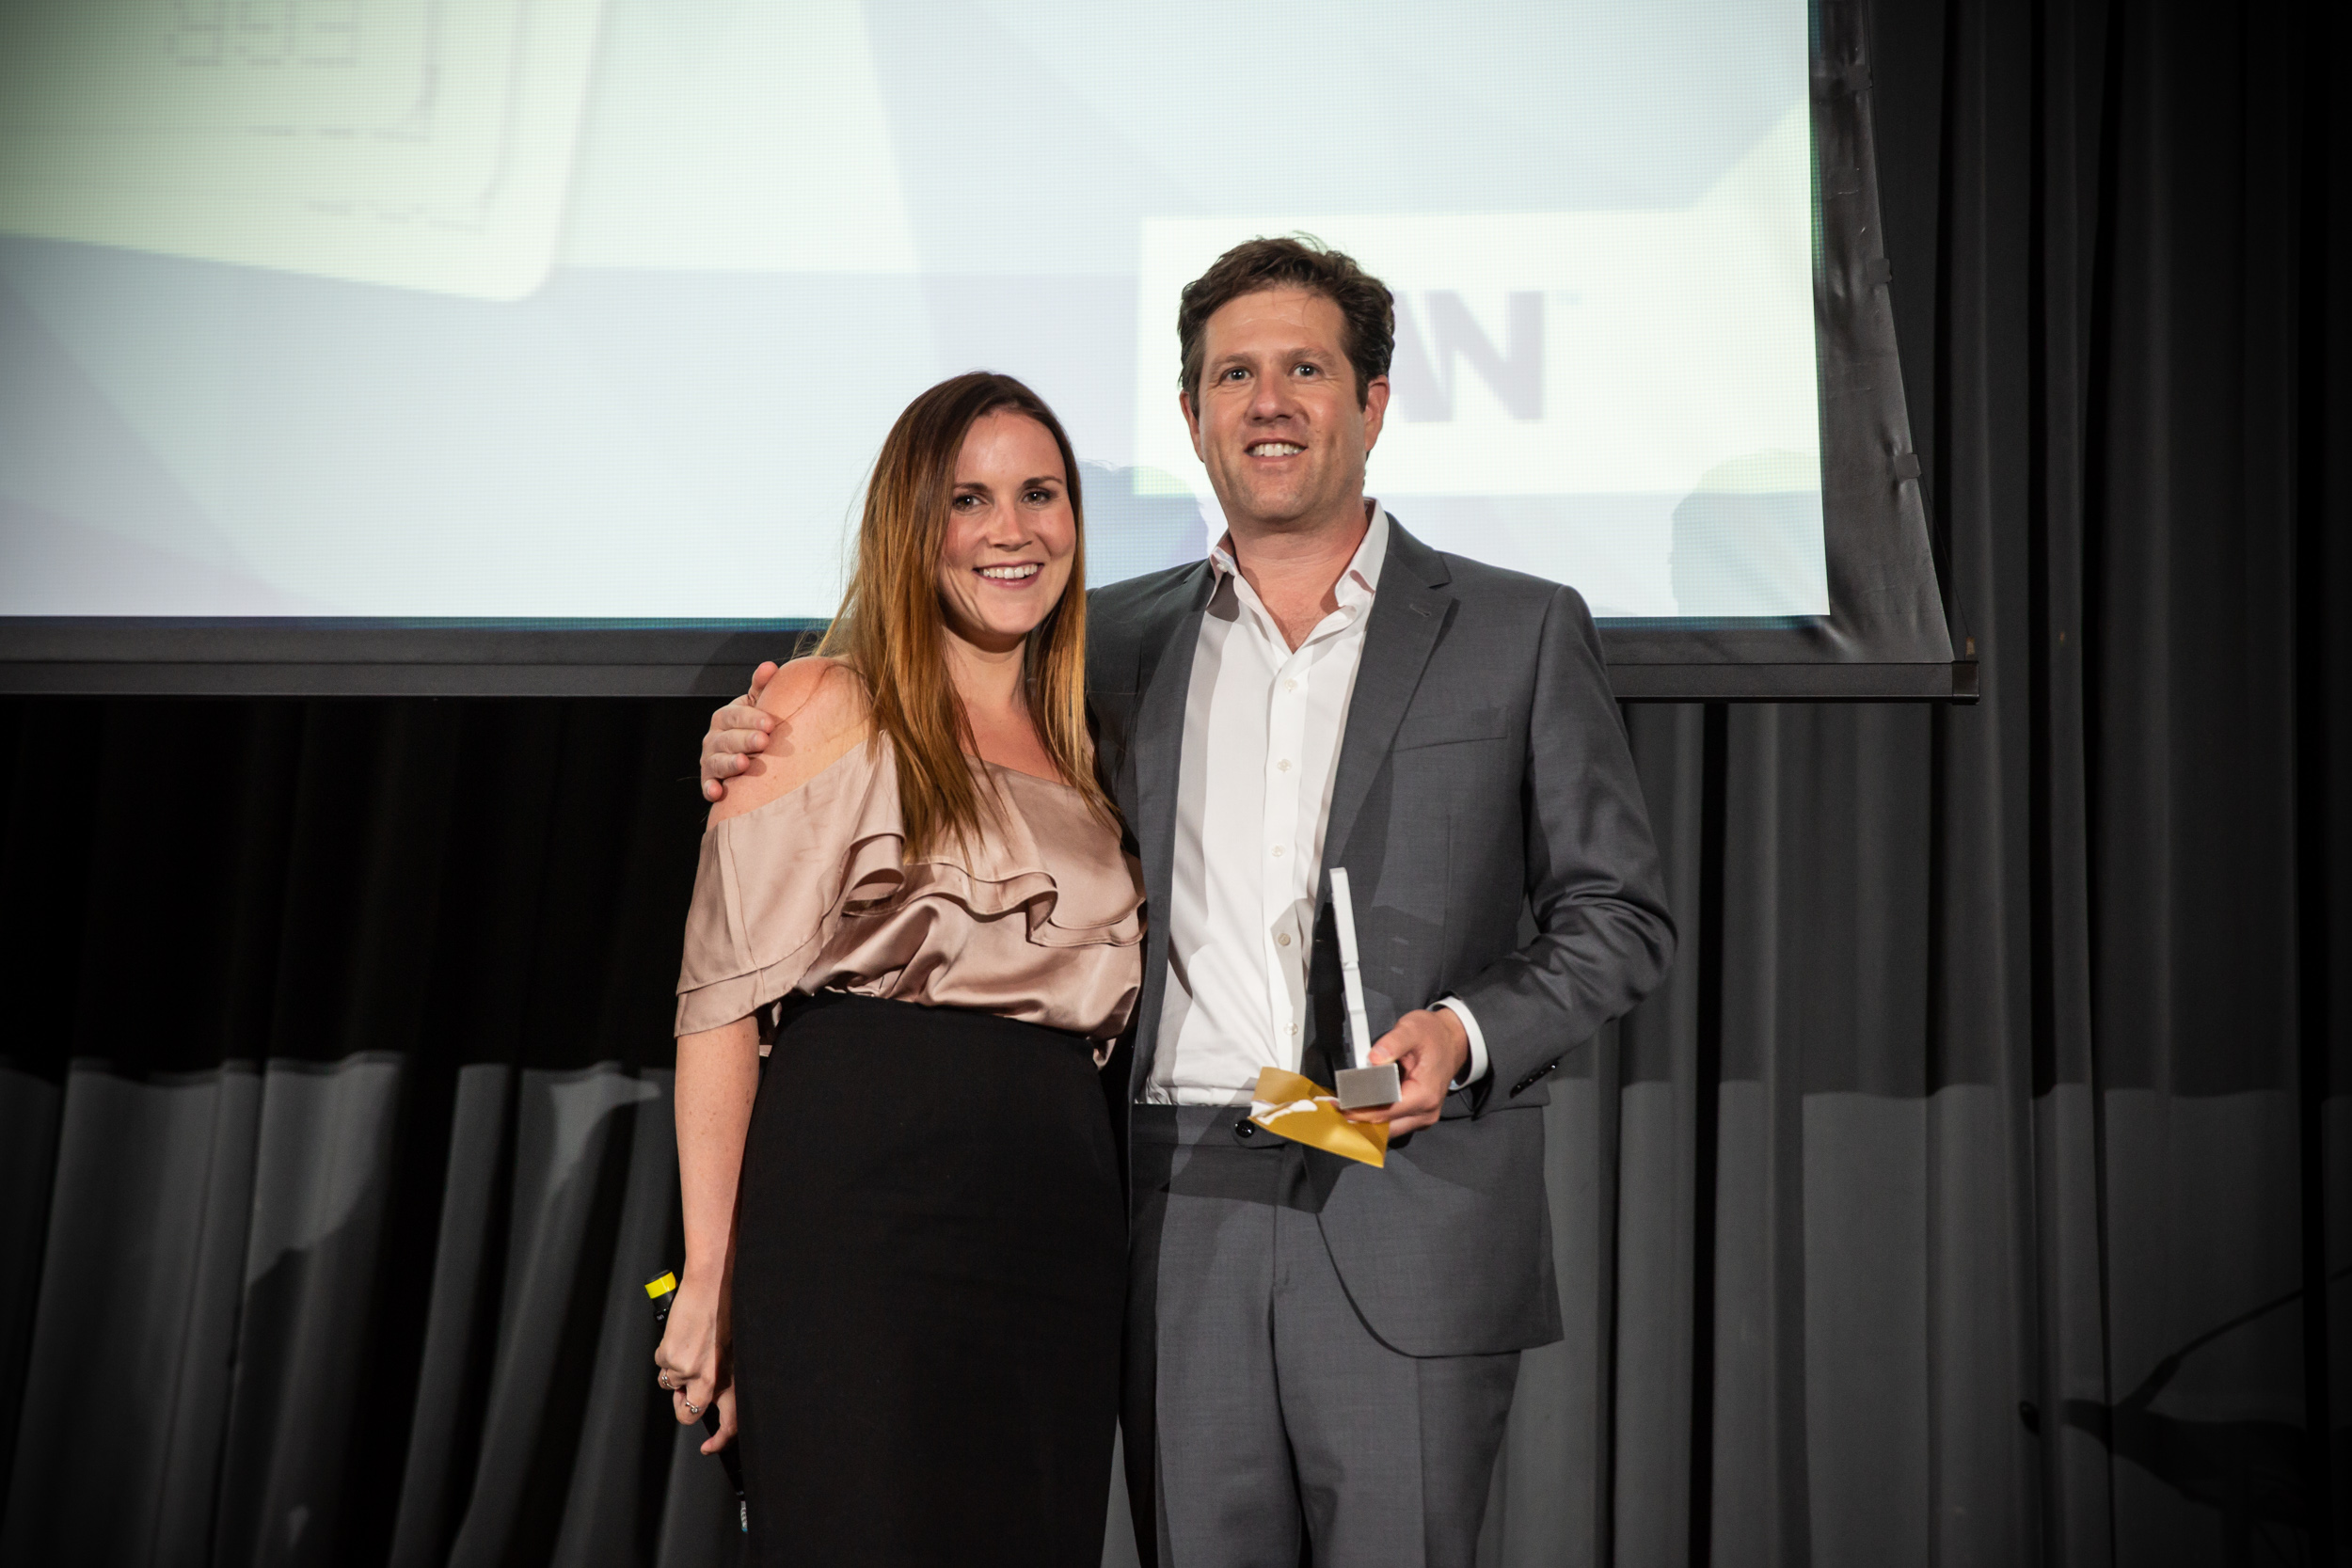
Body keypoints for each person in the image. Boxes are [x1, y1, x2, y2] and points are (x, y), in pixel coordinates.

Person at [702, 238, 1675, 1567]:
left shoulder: (1519, 626)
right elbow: (921, 728)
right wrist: (757, 735)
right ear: (1191, 413)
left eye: (1305, 370)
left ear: (1373, 402)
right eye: (1233, 375)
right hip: (1167, 1206)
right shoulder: (1099, 644)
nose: (1268, 402)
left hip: (1400, 1196)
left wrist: (1463, 1032)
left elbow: (1618, 911)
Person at [657, 372, 1144, 1567]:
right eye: (967, 499)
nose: (1010, 529)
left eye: (1040, 493)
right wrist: (710, 1275)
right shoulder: (824, 703)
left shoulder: (1093, 741)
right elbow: (719, 1002)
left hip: (1059, 1217)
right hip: (862, 1204)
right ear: (910, 524)